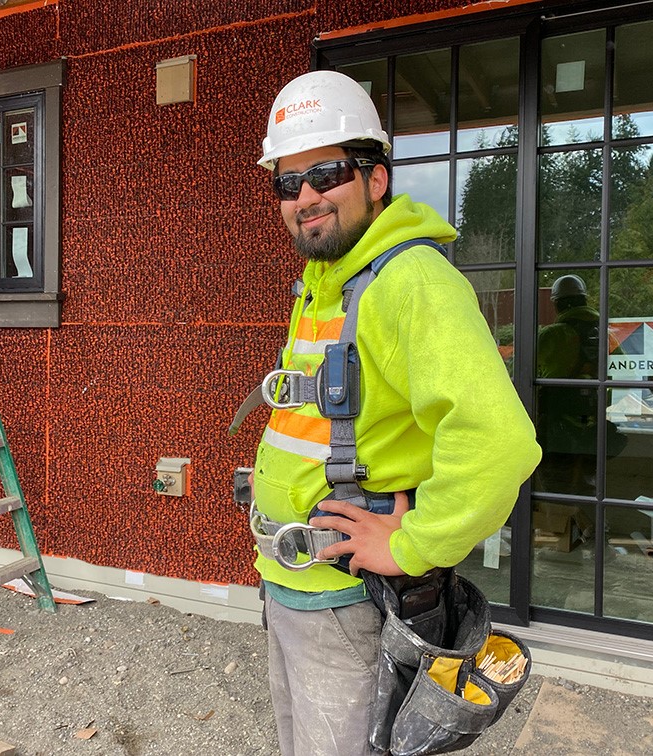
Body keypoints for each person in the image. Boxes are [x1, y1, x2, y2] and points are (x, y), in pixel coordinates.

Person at [245, 70, 541, 755]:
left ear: (376, 179)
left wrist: (413, 545)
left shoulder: (410, 282)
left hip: (354, 602)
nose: (306, 197)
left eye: (326, 174)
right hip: (295, 586)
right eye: (288, 183)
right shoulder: (328, 285)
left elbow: (498, 442)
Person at [535, 274, 624, 494]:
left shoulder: (552, 335)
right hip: (596, 428)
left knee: (553, 489)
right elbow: (623, 372)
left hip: (556, 432)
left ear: (557, 304)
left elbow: (519, 372)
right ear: (584, 300)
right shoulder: (608, 337)